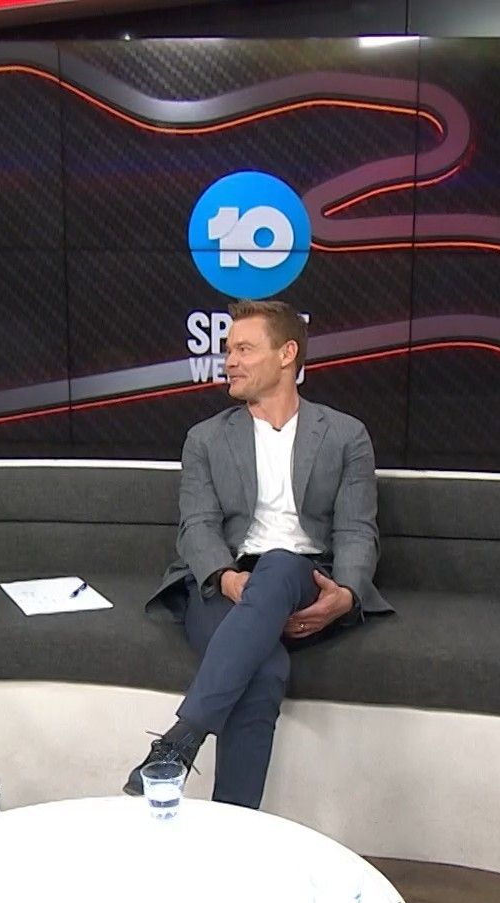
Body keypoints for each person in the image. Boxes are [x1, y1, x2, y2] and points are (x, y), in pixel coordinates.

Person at [131, 299, 392, 809]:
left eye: (245, 349)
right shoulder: (206, 438)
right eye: (228, 350)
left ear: (287, 354)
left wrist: (345, 595)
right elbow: (197, 527)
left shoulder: (345, 436)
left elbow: (357, 529)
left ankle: (181, 739)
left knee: (281, 563)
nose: (230, 362)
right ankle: (234, 828)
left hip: (305, 578)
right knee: (265, 672)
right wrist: (228, 580)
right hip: (223, 582)